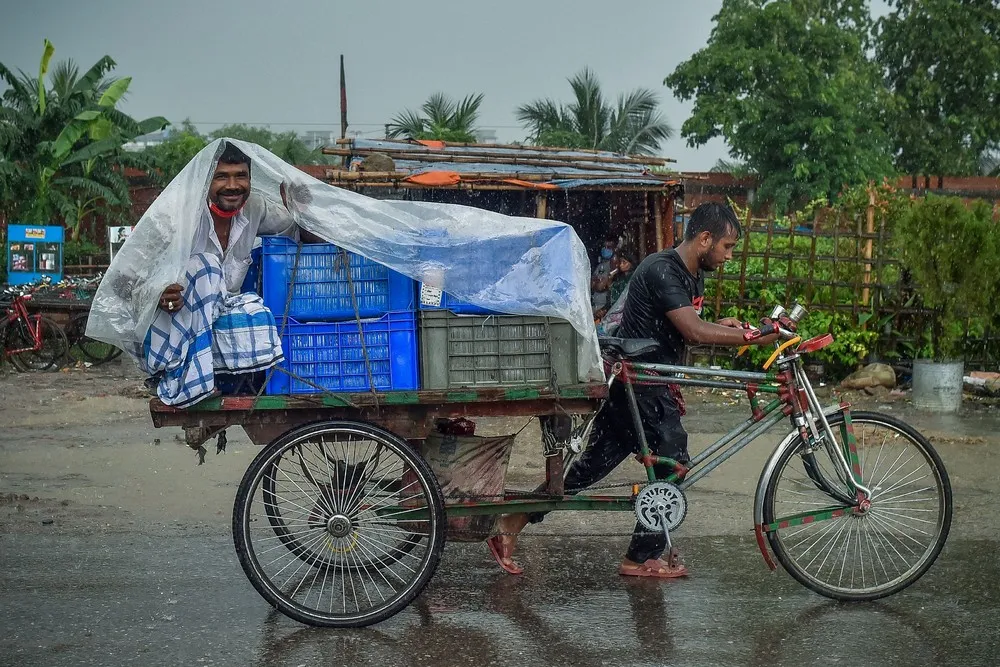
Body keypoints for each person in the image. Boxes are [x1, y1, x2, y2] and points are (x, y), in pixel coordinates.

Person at [487, 202, 779, 578]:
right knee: (673, 462)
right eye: (727, 246)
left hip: (637, 382)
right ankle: (640, 557)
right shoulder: (662, 269)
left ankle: (513, 520)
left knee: (588, 469)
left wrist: (723, 324)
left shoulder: (691, 274)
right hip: (641, 385)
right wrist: (753, 337)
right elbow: (693, 331)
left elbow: (680, 323)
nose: (729, 256)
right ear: (705, 238)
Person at [137, 142, 322, 407]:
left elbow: (305, 236)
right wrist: (158, 292)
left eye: (241, 176)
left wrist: (300, 207)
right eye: (221, 177)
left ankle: (233, 382)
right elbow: (131, 274)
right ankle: (183, 380)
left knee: (260, 313)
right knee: (205, 266)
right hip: (171, 328)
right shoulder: (180, 214)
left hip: (218, 319)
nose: (233, 185)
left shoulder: (254, 208)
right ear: (206, 180)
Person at [590, 237, 617, 316]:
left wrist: (598, 283)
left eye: (608, 247)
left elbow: (600, 287)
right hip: (595, 305)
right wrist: (599, 283)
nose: (605, 249)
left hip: (605, 307)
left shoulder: (615, 267)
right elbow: (591, 284)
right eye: (604, 247)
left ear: (615, 249)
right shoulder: (600, 266)